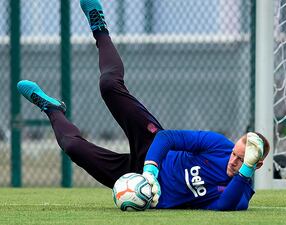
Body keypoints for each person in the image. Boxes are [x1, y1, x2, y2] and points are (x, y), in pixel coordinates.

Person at [17, 0, 270, 211]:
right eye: (236, 153)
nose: (233, 160)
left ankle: (52, 109)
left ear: (255, 165)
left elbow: (223, 208)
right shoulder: (218, 145)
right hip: (152, 153)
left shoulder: (241, 193)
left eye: (242, 160)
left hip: (136, 180)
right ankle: (99, 28)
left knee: (72, 146)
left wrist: (243, 171)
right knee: (109, 86)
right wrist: (151, 171)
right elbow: (168, 138)